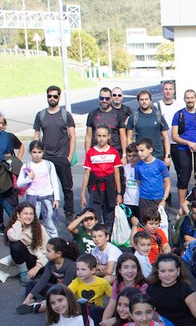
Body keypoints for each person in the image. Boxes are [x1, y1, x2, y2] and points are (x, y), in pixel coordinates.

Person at [32, 86, 76, 221]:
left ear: (59, 98)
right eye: (49, 96)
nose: (52, 98)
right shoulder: (41, 115)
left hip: (62, 157)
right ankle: (43, 211)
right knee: (42, 186)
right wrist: (36, 154)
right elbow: (37, 135)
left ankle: (69, 213)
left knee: (67, 187)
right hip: (46, 158)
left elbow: (72, 137)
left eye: (55, 96)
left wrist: (69, 157)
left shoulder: (65, 115)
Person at [171, 89, 196, 209]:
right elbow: (174, 136)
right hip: (183, 148)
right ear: (184, 99)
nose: (190, 100)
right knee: (184, 176)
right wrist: (189, 143)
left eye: (191, 98)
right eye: (187, 98)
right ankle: (182, 205)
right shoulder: (178, 114)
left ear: (195, 98)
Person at [81, 125, 123, 230]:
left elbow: (116, 174)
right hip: (95, 189)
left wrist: (119, 193)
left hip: (109, 189)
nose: (101, 138)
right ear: (95, 136)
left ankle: (108, 241)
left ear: (109, 136)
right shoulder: (91, 152)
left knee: (109, 217)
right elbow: (86, 174)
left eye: (104, 136)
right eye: (99, 135)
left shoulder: (114, 152)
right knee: (95, 217)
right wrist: (82, 194)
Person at [17, 140, 61, 238]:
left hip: (47, 197)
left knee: (49, 221)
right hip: (33, 198)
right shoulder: (27, 166)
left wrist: (56, 198)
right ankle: (35, 243)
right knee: (33, 222)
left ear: (43, 152)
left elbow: (54, 181)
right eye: (34, 152)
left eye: (39, 152)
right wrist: (29, 178)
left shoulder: (49, 164)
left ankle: (55, 242)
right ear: (30, 152)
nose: (37, 155)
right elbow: (19, 184)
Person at [99, 253, 149, 326]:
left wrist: (115, 319)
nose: (130, 271)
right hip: (121, 312)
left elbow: (139, 310)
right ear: (119, 270)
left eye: (133, 267)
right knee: (96, 312)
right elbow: (112, 303)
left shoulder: (143, 285)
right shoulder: (118, 283)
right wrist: (104, 324)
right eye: (126, 267)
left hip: (134, 318)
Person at [1, 202, 48, 287]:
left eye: (31, 214)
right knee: (15, 245)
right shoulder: (14, 228)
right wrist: (19, 222)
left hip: (40, 259)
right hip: (24, 259)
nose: (29, 217)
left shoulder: (40, 228)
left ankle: (37, 272)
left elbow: (47, 250)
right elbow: (15, 238)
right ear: (18, 214)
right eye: (25, 214)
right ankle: (24, 273)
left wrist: (37, 267)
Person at [127, 90, 171, 167]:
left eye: (146, 99)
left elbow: (166, 137)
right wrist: (132, 154)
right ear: (138, 101)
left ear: (150, 100)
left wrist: (167, 156)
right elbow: (129, 137)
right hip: (141, 156)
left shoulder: (158, 115)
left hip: (157, 154)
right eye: (142, 99)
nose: (144, 102)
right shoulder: (134, 117)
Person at [134, 138, 171, 217]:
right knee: (145, 222)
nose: (139, 153)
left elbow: (167, 183)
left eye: (142, 150)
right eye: (138, 151)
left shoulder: (160, 164)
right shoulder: (138, 166)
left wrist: (164, 199)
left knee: (159, 223)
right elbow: (139, 182)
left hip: (158, 198)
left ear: (150, 149)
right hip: (144, 198)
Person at [86, 87, 127, 157]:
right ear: (99, 99)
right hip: (96, 154)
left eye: (107, 98)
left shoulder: (118, 115)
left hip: (115, 153)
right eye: (102, 98)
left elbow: (123, 137)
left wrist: (124, 155)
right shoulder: (92, 114)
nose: (104, 101)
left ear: (111, 99)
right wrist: (87, 154)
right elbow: (88, 136)